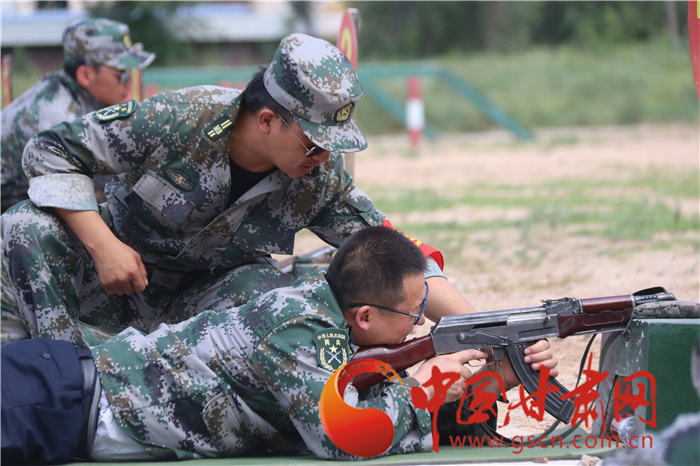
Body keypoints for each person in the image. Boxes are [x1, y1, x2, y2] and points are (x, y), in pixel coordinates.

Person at [2, 32, 476, 346]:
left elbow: (395, 253)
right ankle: (60, 370)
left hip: (199, 308)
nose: (324, 158)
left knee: (285, 288)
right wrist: (103, 245)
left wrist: (476, 329)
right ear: (268, 120)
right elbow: (48, 151)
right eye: (314, 144)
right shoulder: (182, 119)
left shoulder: (317, 179)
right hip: (108, 278)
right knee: (25, 225)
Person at [1, 226, 559, 464]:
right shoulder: (296, 327)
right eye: (413, 315)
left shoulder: (328, 321)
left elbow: (369, 406)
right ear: (364, 316)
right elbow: (346, 436)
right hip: (60, 398)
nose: (420, 327)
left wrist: (490, 384)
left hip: (66, 403)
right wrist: (435, 383)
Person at [0, 17, 156, 213]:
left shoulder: (77, 94)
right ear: (86, 75)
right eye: (121, 73)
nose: (128, 82)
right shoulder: (58, 120)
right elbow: (76, 205)